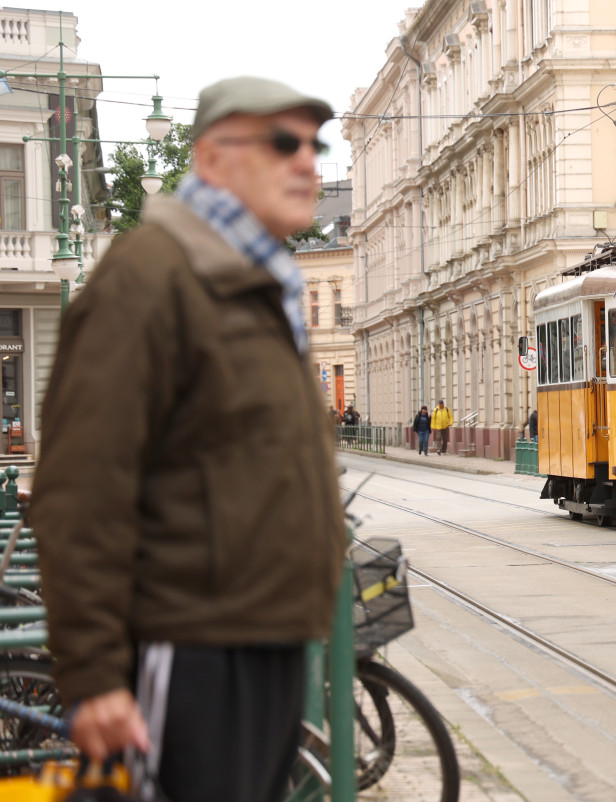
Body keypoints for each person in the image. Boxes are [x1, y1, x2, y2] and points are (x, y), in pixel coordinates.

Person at [31, 77, 343, 802]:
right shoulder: (151, 277)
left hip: (261, 639)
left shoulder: (257, 285)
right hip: (189, 644)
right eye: (282, 143)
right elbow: (80, 489)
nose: (308, 164)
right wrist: (96, 673)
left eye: (314, 145)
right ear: (210, 158)